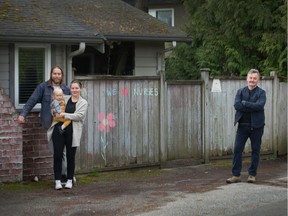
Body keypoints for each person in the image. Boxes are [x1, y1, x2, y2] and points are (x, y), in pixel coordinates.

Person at [18, 66, 71, 182]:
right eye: (55, 73)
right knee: (55, 151)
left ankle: (64, 176)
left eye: (59, 74)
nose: (57, 76)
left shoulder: (66, 89)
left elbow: (71, 106)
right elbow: (32, 100)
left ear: (62, 75)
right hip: (50, 125)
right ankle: (62, 175)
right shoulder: (43, 87)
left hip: (63, 124)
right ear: (51, 74)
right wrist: (23, 114)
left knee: (63, 151)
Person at [226, 69, 266, 184]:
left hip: (257, 127)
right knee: (238, 149)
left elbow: (260, 106)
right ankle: (236, 175)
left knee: (255, 151)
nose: (252, 80)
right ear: (247, 79)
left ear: (258, 80)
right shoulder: (240, 91)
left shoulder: (261, 93)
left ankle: (252, 175)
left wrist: (245, 103)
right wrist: (250, 106)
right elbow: (237, 105)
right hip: (242, 126)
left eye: (254, 78)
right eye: (250, 78)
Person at [47, 80, 88, 190]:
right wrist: (54, 112)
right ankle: (58, 181)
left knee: (70, 156)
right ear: (70, 89)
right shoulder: (64, 98)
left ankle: (69, 179)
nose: (74, 90)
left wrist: (64, 115)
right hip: (59, 129)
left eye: (76, 88)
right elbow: (54, 109)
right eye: (72, 88)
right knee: (58, 155)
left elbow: (78, 116)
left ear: (80, 89)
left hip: (72, 132)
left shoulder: (83, 102)